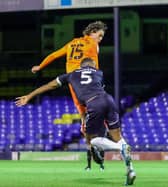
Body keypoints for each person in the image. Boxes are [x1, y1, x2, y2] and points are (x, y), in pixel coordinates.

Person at [16, 58, 136, 185]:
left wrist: (29, 96)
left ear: (80, 66)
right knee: (118, 136)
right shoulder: (99, 73)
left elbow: (49, 86)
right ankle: (130, 170)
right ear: (93, 65)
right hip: (109, 100)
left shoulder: (71, 75)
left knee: (92, 140)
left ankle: (120, 148)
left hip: (94, 103)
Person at [31, 21, 107, 171]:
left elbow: (53, 55)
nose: (100, 39)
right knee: (99, 119)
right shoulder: (93, 44)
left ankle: (91, 161)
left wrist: (40, 66)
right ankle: (98, 156)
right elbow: (95, 67)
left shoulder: (72, 43)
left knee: (85, 122)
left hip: (74, 84)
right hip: (89, 85)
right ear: (93, 32)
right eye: (100, 35)